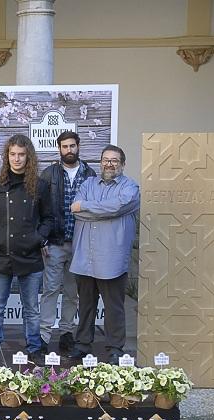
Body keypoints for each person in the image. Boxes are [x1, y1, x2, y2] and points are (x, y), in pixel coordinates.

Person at [0, 134, 53, 365]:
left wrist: (39, 238)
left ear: (28, 157)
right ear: (6, 157)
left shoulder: (40, 186)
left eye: (21, 154)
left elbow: (49, 219)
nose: (16, 159)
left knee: (31, 308)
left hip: (30, 257)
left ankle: (35, 347)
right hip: (0, 256)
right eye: (12, 154)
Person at [66, 145, 140, 365]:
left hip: (112, 259)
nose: (109, 164)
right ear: (100, 163)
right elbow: (74, 209)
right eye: (105, 160)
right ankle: (81, 345)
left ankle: (115, 348)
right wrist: (103, 212)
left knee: (114, 308)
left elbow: (119, 207)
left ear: (122, 164)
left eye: (114, 160)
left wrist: (87, 208)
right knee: (86, 305)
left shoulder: (130, 187)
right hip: (85, 257)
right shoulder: (88, 183)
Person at [39, 131, 96, 353]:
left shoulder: (90, 174)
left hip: (80, 244)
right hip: (54, 242)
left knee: (73, 292)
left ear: (78, 147)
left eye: (72, 146)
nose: (69, 150)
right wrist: (42, 239)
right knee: (50, 290)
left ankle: (66, 333)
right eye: (64, 147)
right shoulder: (49, 174)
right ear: (59, 149)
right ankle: (44, 335)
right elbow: (40, 208)